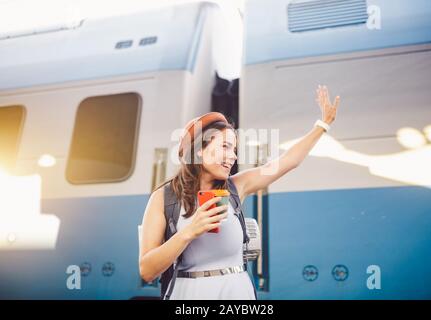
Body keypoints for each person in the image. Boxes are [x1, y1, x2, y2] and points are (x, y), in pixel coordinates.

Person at [139, 85, 340, 299]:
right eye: (225, 147)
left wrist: (323, 124)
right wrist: (189, 231)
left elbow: (288, 161)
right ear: (198, 149)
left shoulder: (236, 187)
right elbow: (147, 270)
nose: (233, 157)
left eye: (234, 150)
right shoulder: (163, 198)